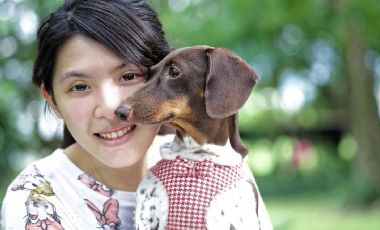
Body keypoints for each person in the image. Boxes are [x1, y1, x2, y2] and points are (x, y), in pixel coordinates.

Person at [1, 0, 272, 229]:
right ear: (53, 101)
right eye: (80, 86)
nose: (111, 107)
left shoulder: (214, 164)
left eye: (129, 76)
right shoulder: (35, 201)